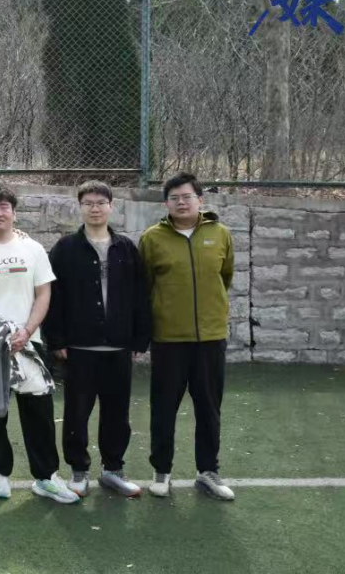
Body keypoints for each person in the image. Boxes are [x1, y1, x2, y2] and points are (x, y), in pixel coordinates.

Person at [0, 184, 79, 504]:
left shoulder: (32, 249)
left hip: (28, 345)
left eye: (4, 207)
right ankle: (0, 475)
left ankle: (46, 477)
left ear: (14, 212)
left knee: (39, 414)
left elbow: (43, 293)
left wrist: (27, 330)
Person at [44, 180, 150, 498]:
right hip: (79, 348)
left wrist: (139, 338)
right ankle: (78, 472)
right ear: (80, 207)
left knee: (117, 413)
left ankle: (113, 470)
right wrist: (56, 340)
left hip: (118, 346)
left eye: (101, 203)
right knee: (77, 413)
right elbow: (53, 296)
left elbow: (140, 295)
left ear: (111, 207)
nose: (95, 208)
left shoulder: (126, 248)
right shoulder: (65, 248)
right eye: (88, 203)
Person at [139, 172, 235, 501]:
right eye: (174, 198)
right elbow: (144, 286)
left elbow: (225, 277)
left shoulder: (220, 234)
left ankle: (207, 472)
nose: (181, 203)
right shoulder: (152, 238)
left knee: (209, 408)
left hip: (211, 339)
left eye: (187, 197)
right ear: (166, 204)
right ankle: (161, 471)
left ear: (200, 200)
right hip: (168, 340)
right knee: (163, 409)